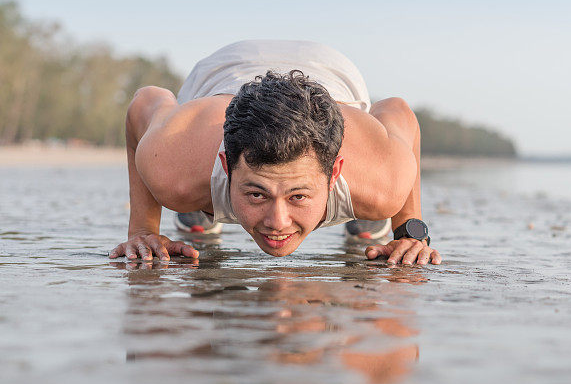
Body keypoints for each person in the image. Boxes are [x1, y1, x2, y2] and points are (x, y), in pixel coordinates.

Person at [109, 40, 441, 265]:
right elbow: (144, 103)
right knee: (185, 191)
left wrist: (409, 232)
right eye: (257, 194)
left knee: (376, 207)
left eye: (298, 196)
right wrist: (143, 230)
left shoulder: (384, 181)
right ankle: (201, 209)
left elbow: (399, 112)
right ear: (225, 166)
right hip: (224, 71)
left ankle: (363, 219)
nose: (276, 224)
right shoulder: (173, 169)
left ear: (335, 173)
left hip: (329, 68)